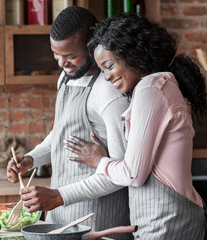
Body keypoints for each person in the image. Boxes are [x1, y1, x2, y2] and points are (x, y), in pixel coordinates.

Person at [66, 14, 207, 239]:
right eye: (101, 70)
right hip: (168, 221)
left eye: (109, 66)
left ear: (132, 55)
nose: (107, 77)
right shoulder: (160, 85)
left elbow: (133, 174)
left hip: (168, 222)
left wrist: (98, 161)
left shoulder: (150, 89)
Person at [7, 6, 132, 239]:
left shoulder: (108, 91)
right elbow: (60, 135)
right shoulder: (66, 78)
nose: (62, 64)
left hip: (96, 222)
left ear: (92, 46)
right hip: (59, 219)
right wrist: (32, 159)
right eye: (56, 55)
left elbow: (121, 171)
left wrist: (56, 196)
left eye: (70, 56)